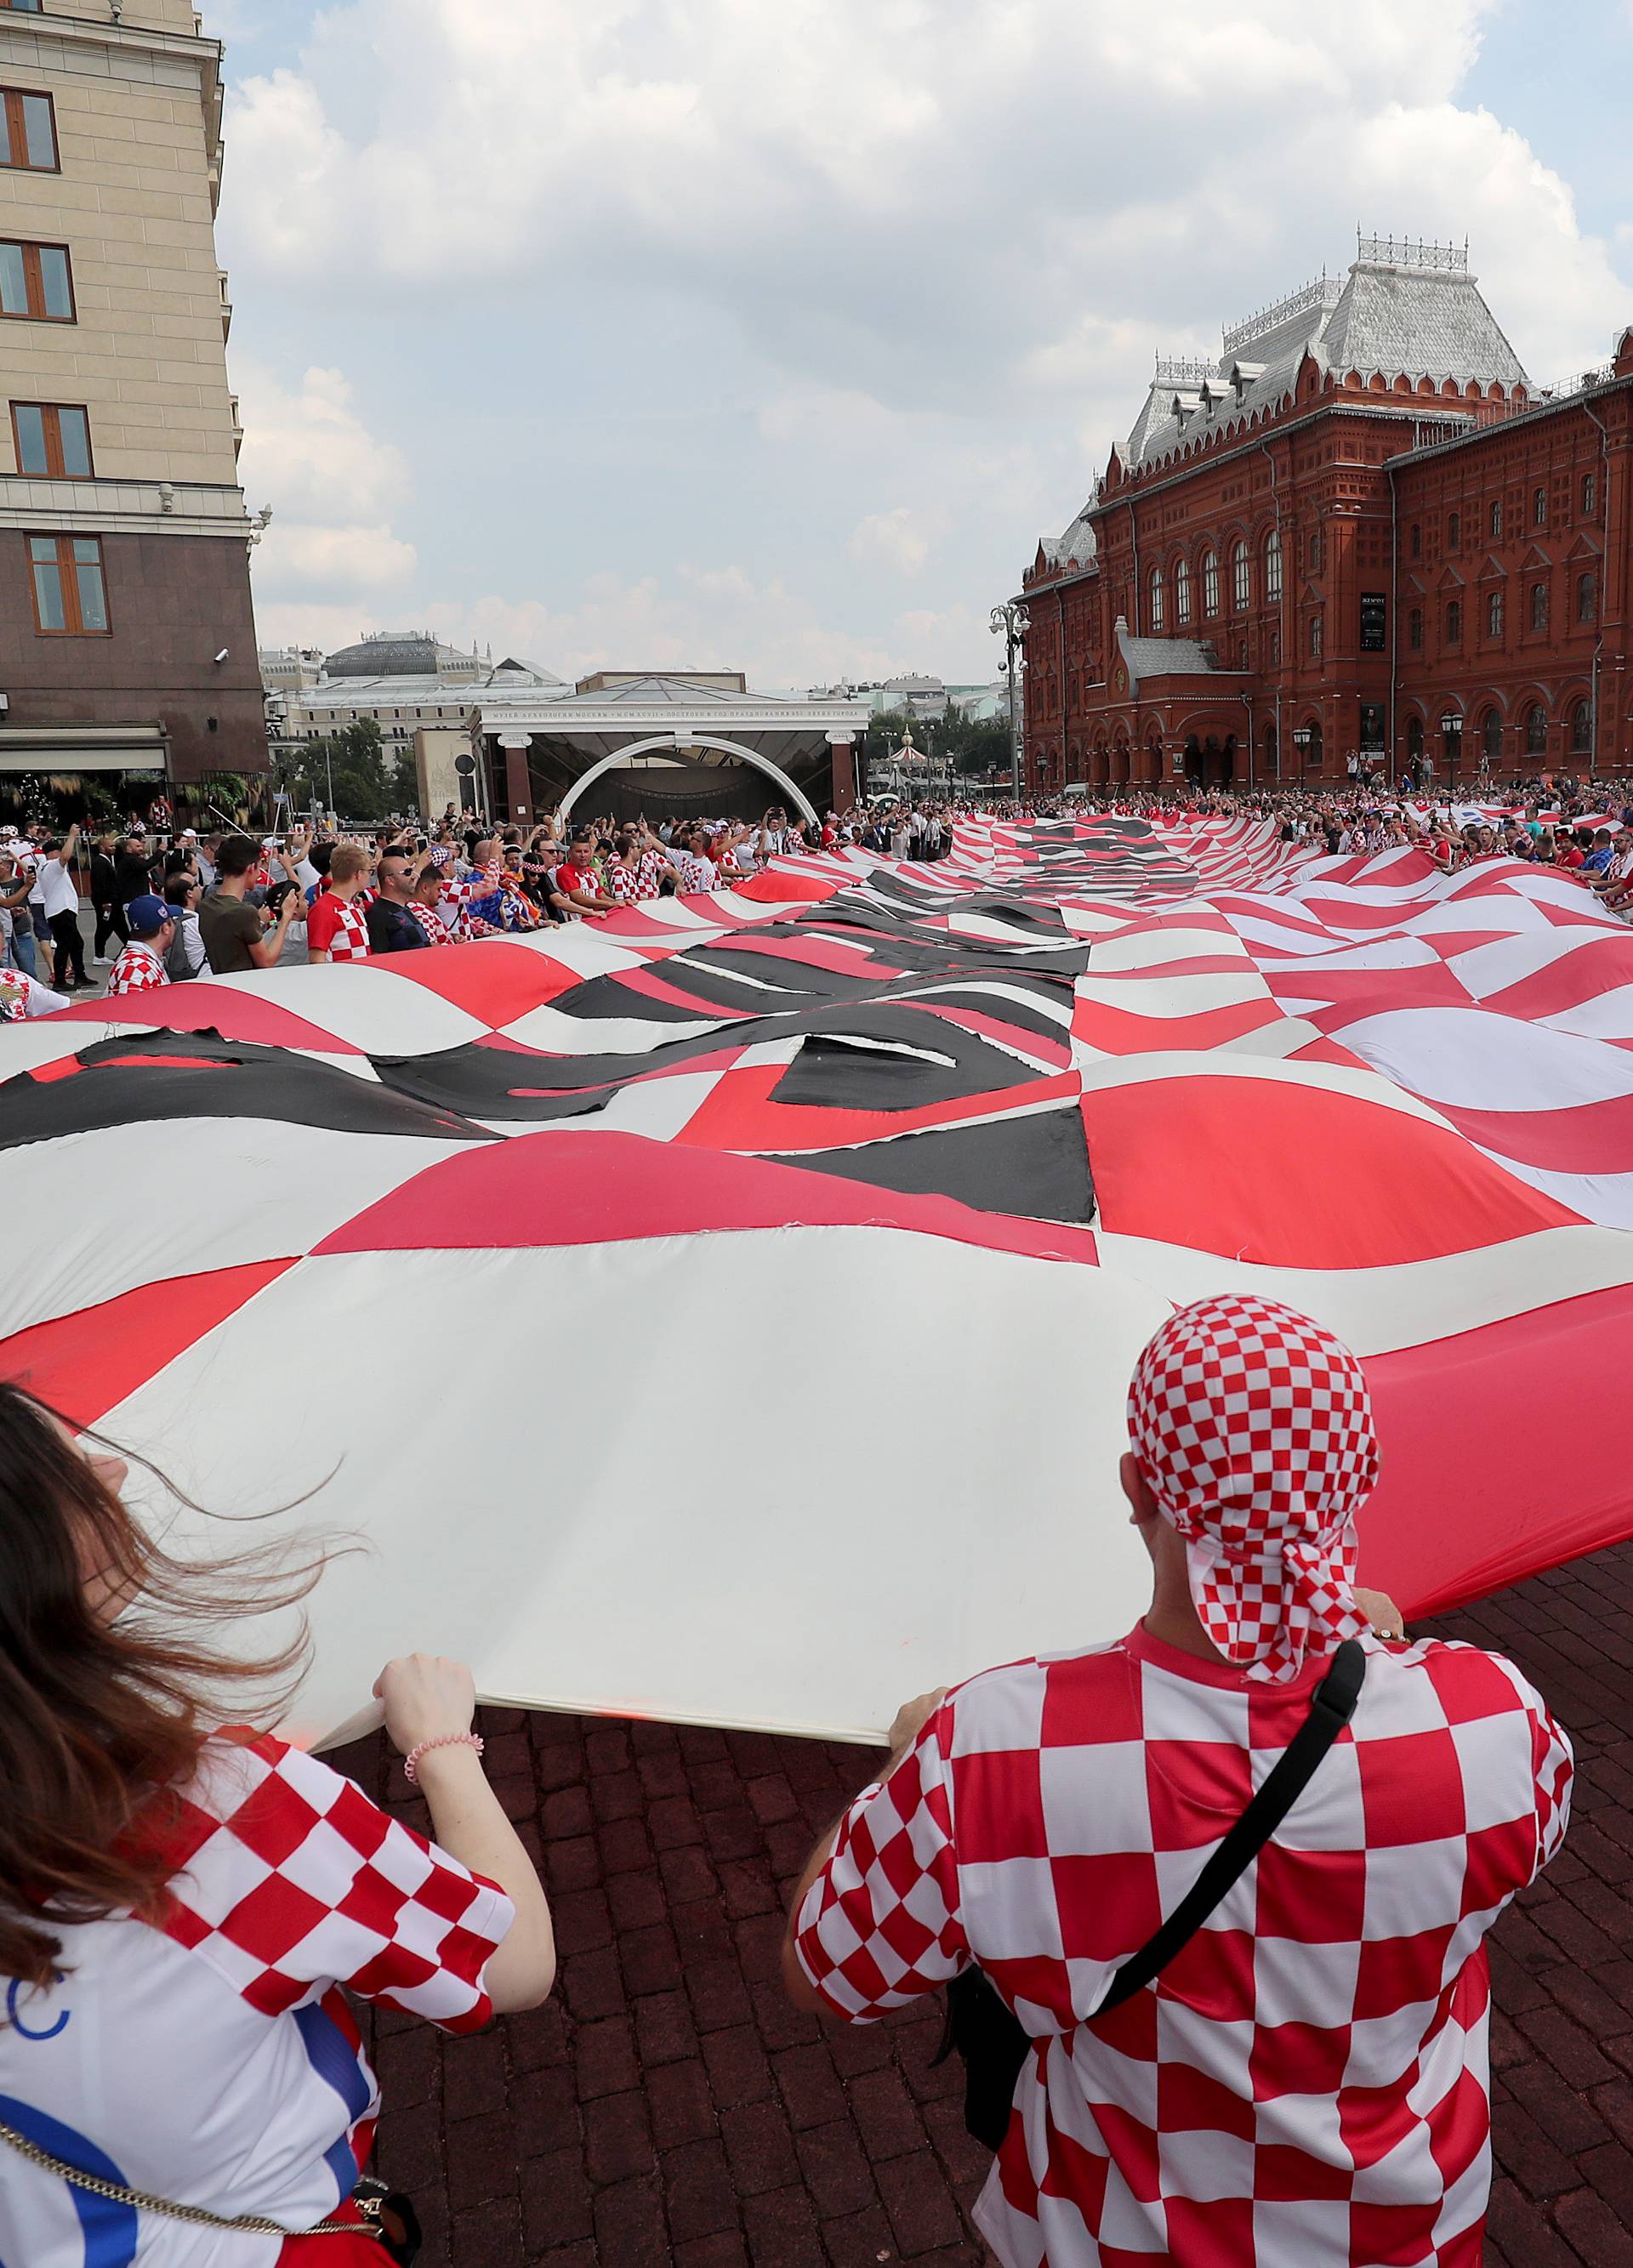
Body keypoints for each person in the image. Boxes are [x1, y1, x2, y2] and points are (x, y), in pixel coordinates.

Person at [785, 1293, 1573, 2268]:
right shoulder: (1492, 1720)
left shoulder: (987, 1748)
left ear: (1138, 1486)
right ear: (1357, 1481)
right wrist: (1377, 1651)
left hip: (1114, 2242)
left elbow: (828, 1972)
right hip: (1404, 2238)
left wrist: (907, 1761)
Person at [0, 1383, 555, 2265]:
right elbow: (510, 1959)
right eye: (62, 1467)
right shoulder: (217, 1813)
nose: (108, 1467)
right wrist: (444, 1745)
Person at [200, 834, 299, 975]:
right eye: (259, 868)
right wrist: (286, 917)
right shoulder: (244, 912)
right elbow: (266, 962)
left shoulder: (205, 906)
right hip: (244, 986)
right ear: (251, 868)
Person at [36, 824, 87, 991]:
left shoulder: (43, 868)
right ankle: (60, 981)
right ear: (53, 853)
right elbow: (65, 856)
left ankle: (80, 975)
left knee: (76, 944)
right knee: (65, 946)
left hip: (58, 911)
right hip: (61, 911)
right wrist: (71, 835)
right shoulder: (52, 866)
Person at [306, 844, 374, 963]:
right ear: (358, 874)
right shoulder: (324, 909)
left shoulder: (352, 905)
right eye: (370, 871)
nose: (370, 876)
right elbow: (317, 959)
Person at [364, 844, 433, 953]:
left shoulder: (404, 908)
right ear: (390, 880)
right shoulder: (379, 914)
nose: (412, 877)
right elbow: (378, 956)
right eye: (407, 872)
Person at [105, 894, 174, 998]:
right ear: (165, 928)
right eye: (172, 921)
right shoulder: (137, 968)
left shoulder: (141, 961)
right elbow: (130, 1011)